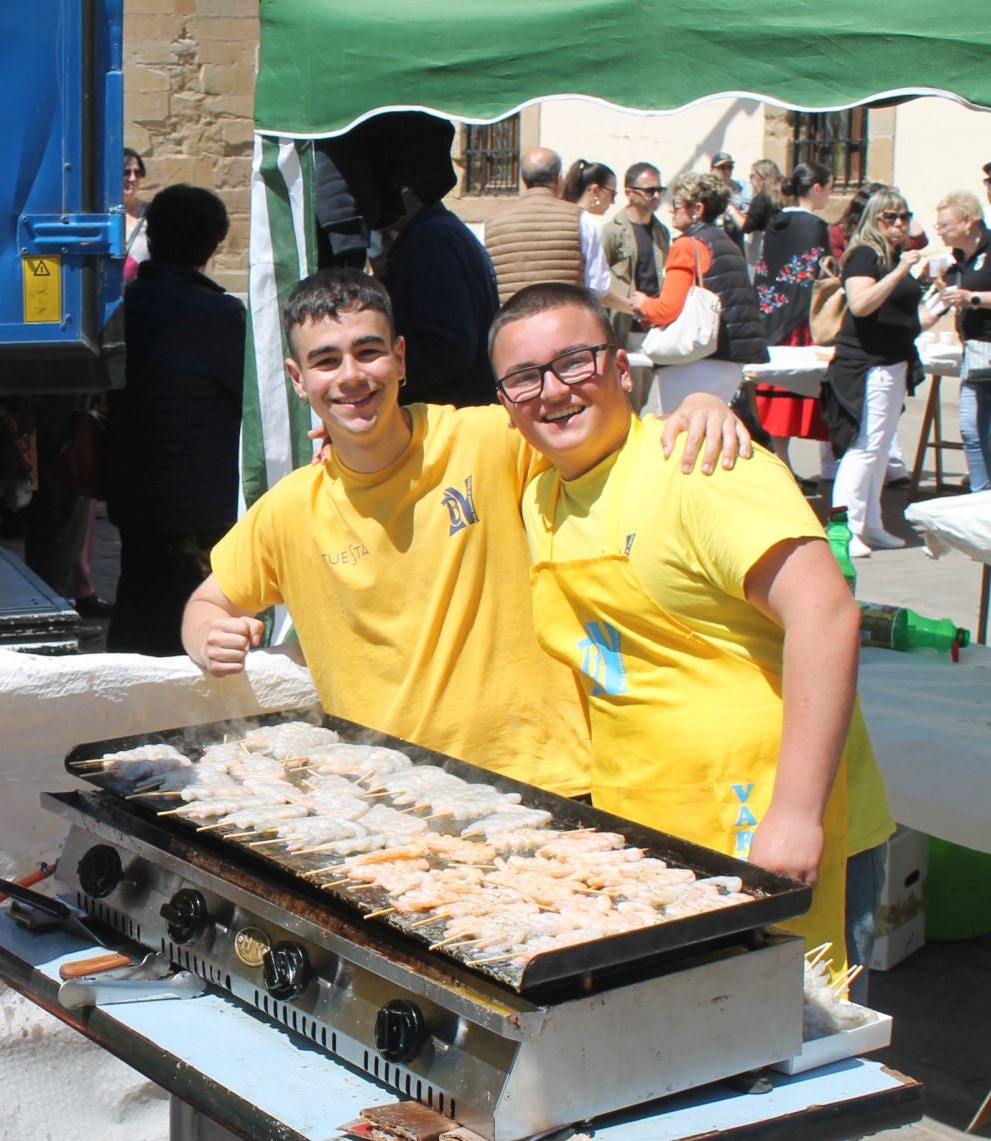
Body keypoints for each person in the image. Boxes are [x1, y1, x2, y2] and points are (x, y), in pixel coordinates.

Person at [489, 281, 893, 1141]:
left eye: (576, 362)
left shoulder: (693, 465)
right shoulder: (541, 481)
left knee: (798, 1101)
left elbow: (827, 614)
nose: (553, 390)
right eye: (525, 377)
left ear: (624, 366)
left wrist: (795, 815)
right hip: (661, 840)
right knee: (685, 1080)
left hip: (776, 825)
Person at [179, 268, 749, 797]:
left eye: (368, 351)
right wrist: (206, 635)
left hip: (545, 780)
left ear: (400, 359)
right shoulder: (288, 511)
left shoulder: (487, 439)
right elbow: (209, 603)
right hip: (387, 795)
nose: (351, 375)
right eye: (326, 361)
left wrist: (699, 403)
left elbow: (599, 431)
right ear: (297, 379)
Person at [104, 184, 244, 655]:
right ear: (211, 246)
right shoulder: (221, 315)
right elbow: (245, 396)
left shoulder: (123, 307)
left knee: (138, 605)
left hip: (134, 491)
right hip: (199, 502)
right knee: (195, 618)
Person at [825, 188, 929, 555]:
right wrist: (901, 270)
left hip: (893, 362)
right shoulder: (864, 256)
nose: (899, 224)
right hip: (865, 365)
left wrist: (938, 306)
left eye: (904, 216)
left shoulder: (892, 255)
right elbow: (862, 304)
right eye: (890, 217)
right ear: (875, 220)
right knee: (863, 448)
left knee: (881, 449)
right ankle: (845, 528)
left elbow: (902, 316)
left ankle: (870, 524)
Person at [632, 171, 768, 406]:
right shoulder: (727, 243)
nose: (671, 209)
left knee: (681, 433)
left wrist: (642, 303)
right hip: (731, 359)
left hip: (696, 360)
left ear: (697, 209)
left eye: (676, 203)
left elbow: (666, 310)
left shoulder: (687, 245)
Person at [378, 157, 500, 407]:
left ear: (407, 193)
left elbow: (448, 348)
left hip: (450, 411)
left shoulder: (428, 239)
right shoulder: (442, 231)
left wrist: (384, 379)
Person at [753, 162, 835, 484]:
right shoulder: (814, 225)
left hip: (771, 313)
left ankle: (781, 460)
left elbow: (765, 270)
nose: (828, 195)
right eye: (828, 188)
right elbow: (818, 277)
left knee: (774, 392)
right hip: (800, 320)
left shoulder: (777, 220)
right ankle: (786, 467)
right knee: (795, 389)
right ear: (816, 188)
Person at [933, 188, 991, 491]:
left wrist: (974, 298)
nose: (940, 231)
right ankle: (981, 498)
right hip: (974, 351)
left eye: (944, 225)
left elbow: (973, 297)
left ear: (967, 221)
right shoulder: (958, 258)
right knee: (971, 429)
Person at [483, 147, 584, 305]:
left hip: (511, 321)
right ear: (558, 178)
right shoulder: (580, 218)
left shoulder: (492, 223)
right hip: (563, 321)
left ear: (523, 179)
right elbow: (598, 286)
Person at [601, 162, 670, 349]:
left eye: (660, 190)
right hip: (624, 324)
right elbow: (598, 281)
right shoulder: (612, 232)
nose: (656, 196)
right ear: (630, 192)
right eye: (650, 190)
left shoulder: (662, 232)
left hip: (656, 324)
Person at [562, 159, 619, 308]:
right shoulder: (588, 224)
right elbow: (598, 287)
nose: (612, 202)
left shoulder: (560, 215)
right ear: (595, 190)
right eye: (613, 193)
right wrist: (636, 308)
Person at [742, 158, 785, 269]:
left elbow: (747, 226)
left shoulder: (761, 198)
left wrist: (731, 209)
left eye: (751, 176)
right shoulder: (781, 197)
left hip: (763, 251)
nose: (750, 181)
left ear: (760, 177)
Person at [122, 147, 150, 283]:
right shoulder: (98, 215)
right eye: (126, 172)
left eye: (137, 173)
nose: (132, 178)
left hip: (142, 297)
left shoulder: (151, 214)